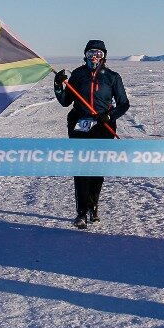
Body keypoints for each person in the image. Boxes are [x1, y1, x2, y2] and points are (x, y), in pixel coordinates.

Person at [53, 39, 129, 229]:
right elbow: (65, 101)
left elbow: (124, 103)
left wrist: (109, 116)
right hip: (80, 124)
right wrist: (58, 86)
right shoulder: (78, 75)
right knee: (81, 168)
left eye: (98, 54)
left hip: (103, 127)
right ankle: (81, 213)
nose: (94, 57)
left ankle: (93, 206)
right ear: (85, 55)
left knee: (97, 168)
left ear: (104, 56)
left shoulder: (112, 77)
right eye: (90, 53)